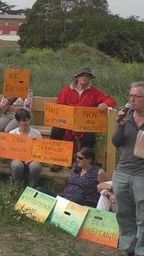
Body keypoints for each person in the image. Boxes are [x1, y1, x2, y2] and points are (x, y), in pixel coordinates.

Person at [112, 81, 144, 256]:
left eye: (136, 96)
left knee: (143, 216)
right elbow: (116, 142)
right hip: (123, 171)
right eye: (130, 95)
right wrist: (121, 124)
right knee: (124, 213)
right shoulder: (127, 116)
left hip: (142, 175)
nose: (132, 99)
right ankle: (128, 248)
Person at [52, 66, 116, 152]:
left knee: (90, 136)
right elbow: (59, 106)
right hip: (68, 124)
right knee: (56, 130)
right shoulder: (67, 90)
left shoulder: (94, 91)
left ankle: (84, 161)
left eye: (87, 76)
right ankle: (56, 158)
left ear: (90, 78)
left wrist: (105, 104)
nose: (84, 78)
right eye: (82, 75)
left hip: (85, 125)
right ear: (77, 77)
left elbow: (111, 101)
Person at [8, 108, 42, 187]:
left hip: (32, 159)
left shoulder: (36, 133)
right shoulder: (12, 133)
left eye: (27, 120)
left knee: (36, 167)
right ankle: (18, 185)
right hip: (16, 159)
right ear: (18, 121)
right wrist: (19, 158)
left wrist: (31, 159)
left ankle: (31, 186)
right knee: (17, 166)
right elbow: (9, 152)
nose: (26, 122)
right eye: (23, 120)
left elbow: (40, 152)